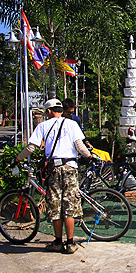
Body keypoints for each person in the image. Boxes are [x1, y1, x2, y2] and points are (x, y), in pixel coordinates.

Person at [15, 98, 93, 253]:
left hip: (54, 170)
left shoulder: (43, 126)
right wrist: (90, 156)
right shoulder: (72, 124)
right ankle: (70, 243)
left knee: (55, 206)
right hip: (70, 168)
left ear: (49, 111)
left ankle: (57, 242)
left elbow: (31, 147)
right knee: (69, 206)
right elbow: (79, 146)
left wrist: (17, 159)